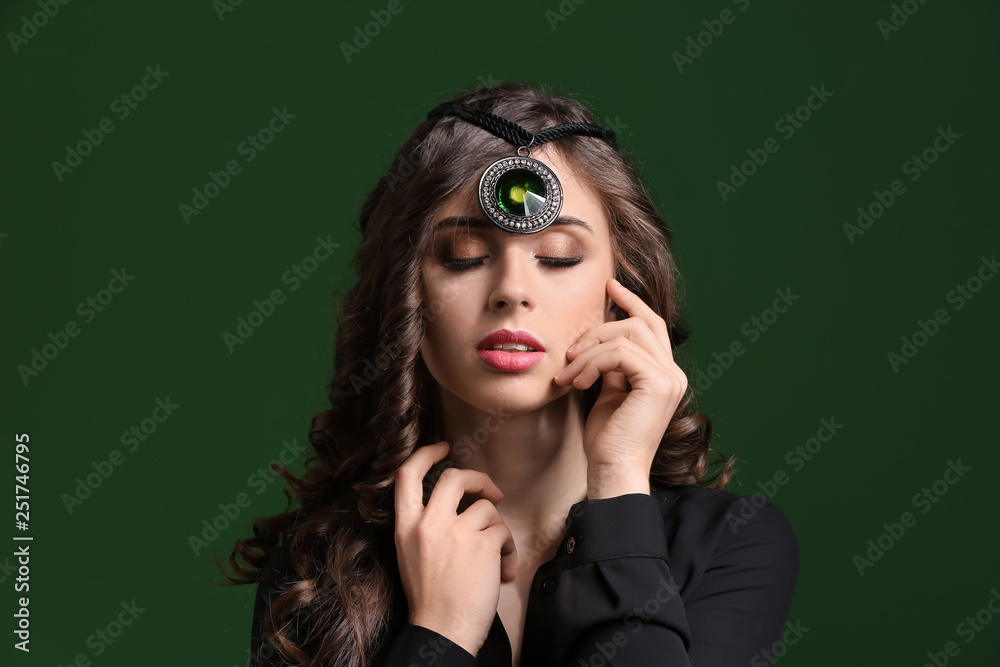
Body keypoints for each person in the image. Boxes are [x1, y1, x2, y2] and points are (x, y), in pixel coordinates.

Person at [224, 81, 800, 667]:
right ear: (406, 293)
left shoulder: (731, 545)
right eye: (465, 257)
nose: (512, 291)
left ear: (621, 292)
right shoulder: (320, 571)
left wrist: (620, 486)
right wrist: (439, 633)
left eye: (558, 257)